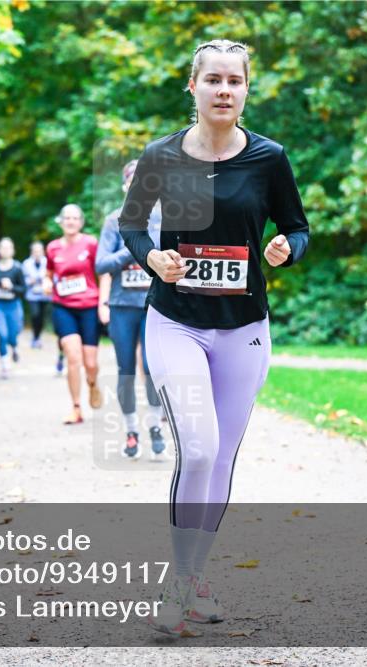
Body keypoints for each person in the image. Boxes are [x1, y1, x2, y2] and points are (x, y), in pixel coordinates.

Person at [119, 39, 310, 634]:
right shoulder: (161, 155)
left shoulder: (269, 158)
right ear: (193, 87)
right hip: (175, 321)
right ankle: (178, 588)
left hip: (244, 328)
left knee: (222, 455)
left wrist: (285, 249)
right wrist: (153, 259)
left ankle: (195, 579)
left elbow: (298, 227)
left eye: (235, 81)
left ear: (246, 90)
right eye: (214, 80)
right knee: (196, 448)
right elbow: (130, 226)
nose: (224, 90)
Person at [95, 159, 166, 460]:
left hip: (155, 305)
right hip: (123, 305)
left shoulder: (165, 219)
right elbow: (100, 264)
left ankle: (155, 426)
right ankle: (131, 431)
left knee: (152, 369)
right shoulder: (114, 221)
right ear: (126, 186)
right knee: (125, 370)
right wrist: (133, 248)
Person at [45, 204, 102, 425]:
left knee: (90, 363)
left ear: (81, 222)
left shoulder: (91, 243)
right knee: (73, 356)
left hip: (89, 305)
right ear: (60, 221)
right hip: (63, 306)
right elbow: (49, 274)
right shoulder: (52, 248)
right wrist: (46, 283)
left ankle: (93, 383)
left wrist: (104, 302)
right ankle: (76, 407)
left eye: (74, 218)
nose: (70, 221)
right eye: (66, 218)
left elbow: (102, 272)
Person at [0, 237, 26, 378]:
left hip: (13, 305)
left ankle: (14, 347)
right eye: (2, 247)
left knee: (13, 333)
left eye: (8, 247)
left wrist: (11, 287)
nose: (5, 250)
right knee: (1, 334)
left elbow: (23, 289)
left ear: (13, 250)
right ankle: (5, 364)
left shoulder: (17, 268)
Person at [21, 241, 51, 349]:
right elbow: (22, 280)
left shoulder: (48, 262)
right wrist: (31, 281)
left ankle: (37, 337)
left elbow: (51, 277)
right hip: (32, 295)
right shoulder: (26, 264)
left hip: (45, 295)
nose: (37, 253)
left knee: (41, 317)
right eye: (35, 251)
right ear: (32, 252)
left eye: (39, 251)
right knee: (35, 315)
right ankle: (35, 336)